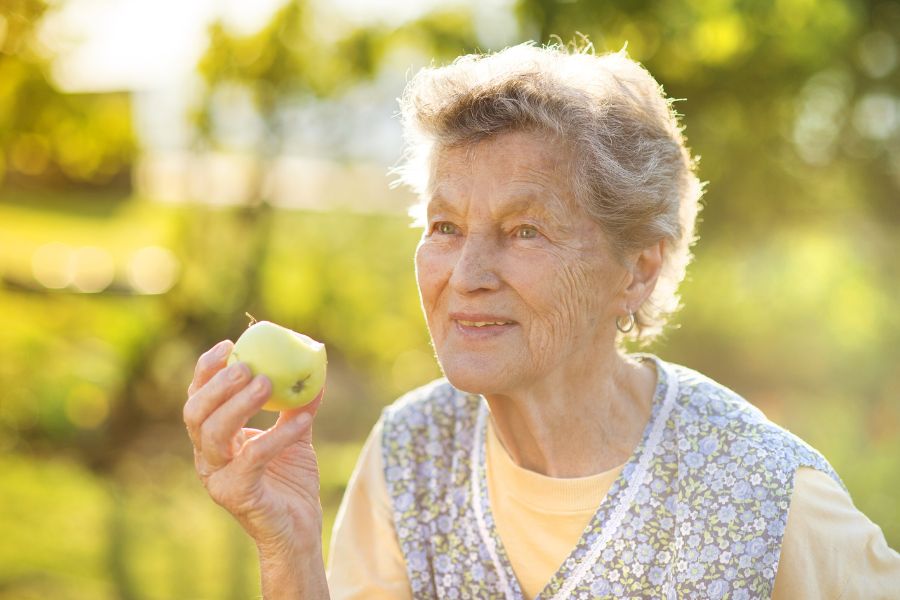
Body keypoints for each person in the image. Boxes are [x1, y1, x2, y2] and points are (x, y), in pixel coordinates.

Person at [183, 42, 900, 599]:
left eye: (525, 231)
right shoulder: (408, 453)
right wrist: (289, 551)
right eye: (445, 227)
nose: (467, 276)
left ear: (639, 268)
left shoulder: (770, 496)